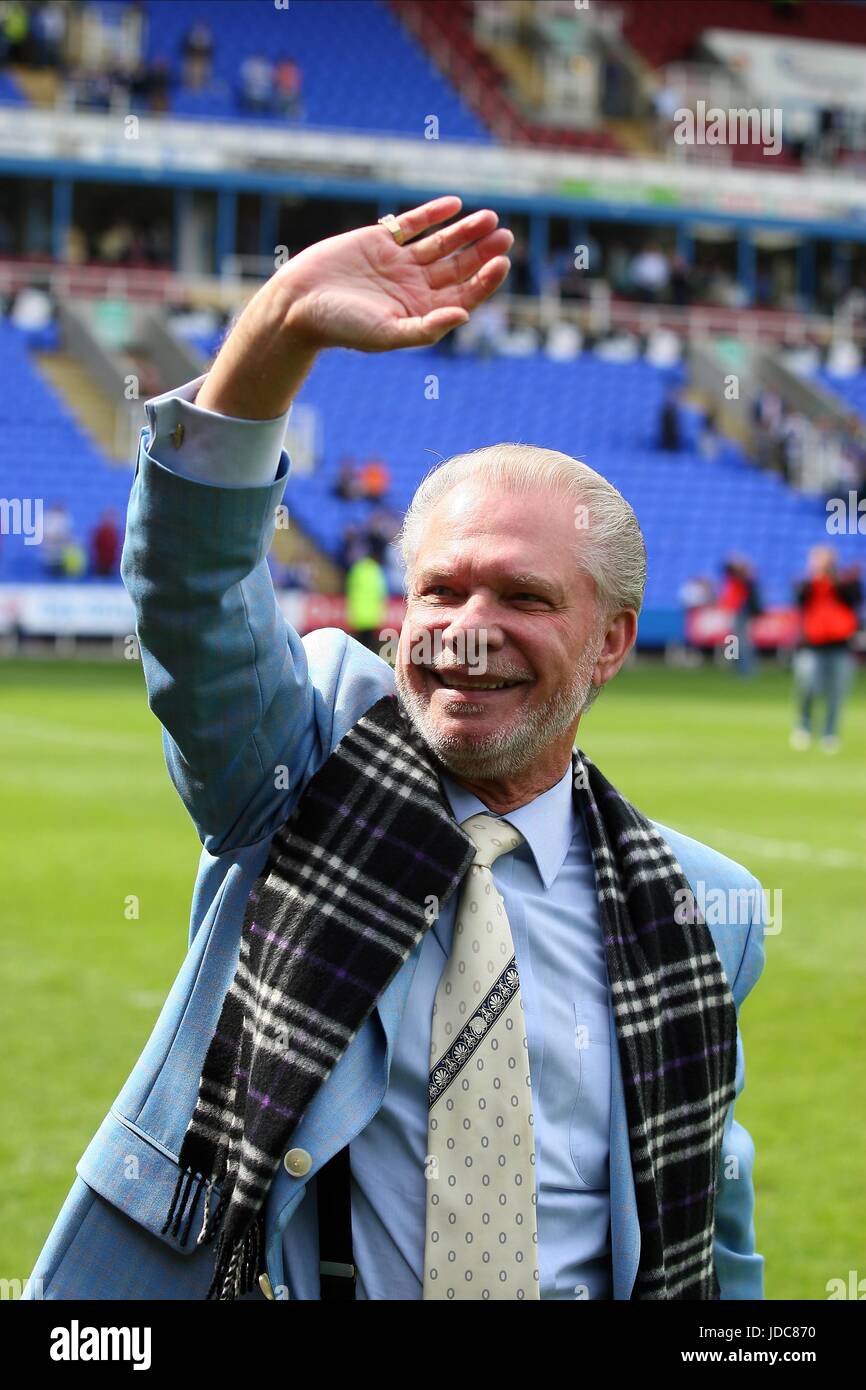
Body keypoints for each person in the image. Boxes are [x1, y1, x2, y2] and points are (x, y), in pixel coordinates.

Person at [25, 196, 765, 1303]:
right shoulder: (297, 782)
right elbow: (194, 603)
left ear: (612, 642)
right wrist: (278, 328)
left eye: (522, 596)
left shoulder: (700, 911)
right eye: (440, 589)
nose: (468, 626)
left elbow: (704, 1225)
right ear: (395, 616)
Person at [790, 547, 862, 752]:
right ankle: (803, 726)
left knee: (836, 692)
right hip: (812, 646)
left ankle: (830, 732)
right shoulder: (809, 584)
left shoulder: (845, 583)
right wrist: (815, 576)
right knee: (807, 685)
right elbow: (800, 598)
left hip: (840, 647)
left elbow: (853, 598)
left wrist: (836, 578)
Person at [719, 557, 762, 677]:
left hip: (739, 612)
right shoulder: (735, 578)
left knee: (740, 642)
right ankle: (736, 667)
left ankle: (746, 669)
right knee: (733, 641)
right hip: (734, 611)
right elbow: (726, 568)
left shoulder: (743, 580)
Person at [344, 540, 387, 652]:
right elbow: (382, 592)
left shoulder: (357, 568)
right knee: (370, 648)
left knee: (358, 646)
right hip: (372, 616)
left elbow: (349, 589)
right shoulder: (376, 570)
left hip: (357, 615)